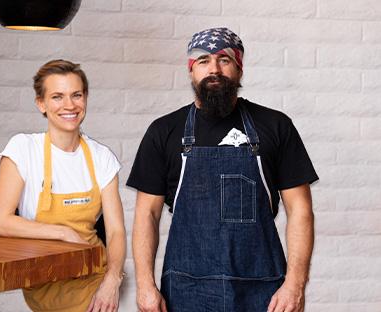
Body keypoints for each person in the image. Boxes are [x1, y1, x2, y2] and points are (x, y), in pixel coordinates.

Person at [128, 27, 317, 312]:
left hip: (264, 290)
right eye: (203, 60)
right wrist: (145, 286)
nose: (213, 68)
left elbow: (301, 211)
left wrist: (294, 285)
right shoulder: (164, 131)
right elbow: (146, 214)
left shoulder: (276, 126)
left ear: (239, 69)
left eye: (224, 59)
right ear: (191, 71)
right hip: (186, 290)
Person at [0, 59, 126, 312]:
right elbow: (2, 221)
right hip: (44, 278)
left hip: (94, 272)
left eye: (76, 95)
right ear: (40, 103)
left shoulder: (101, 157)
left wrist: (112, 280)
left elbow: (116, 231)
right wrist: (63, 233)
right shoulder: (23, 150)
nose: (69, 105)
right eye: (57, 97)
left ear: (85, 98)